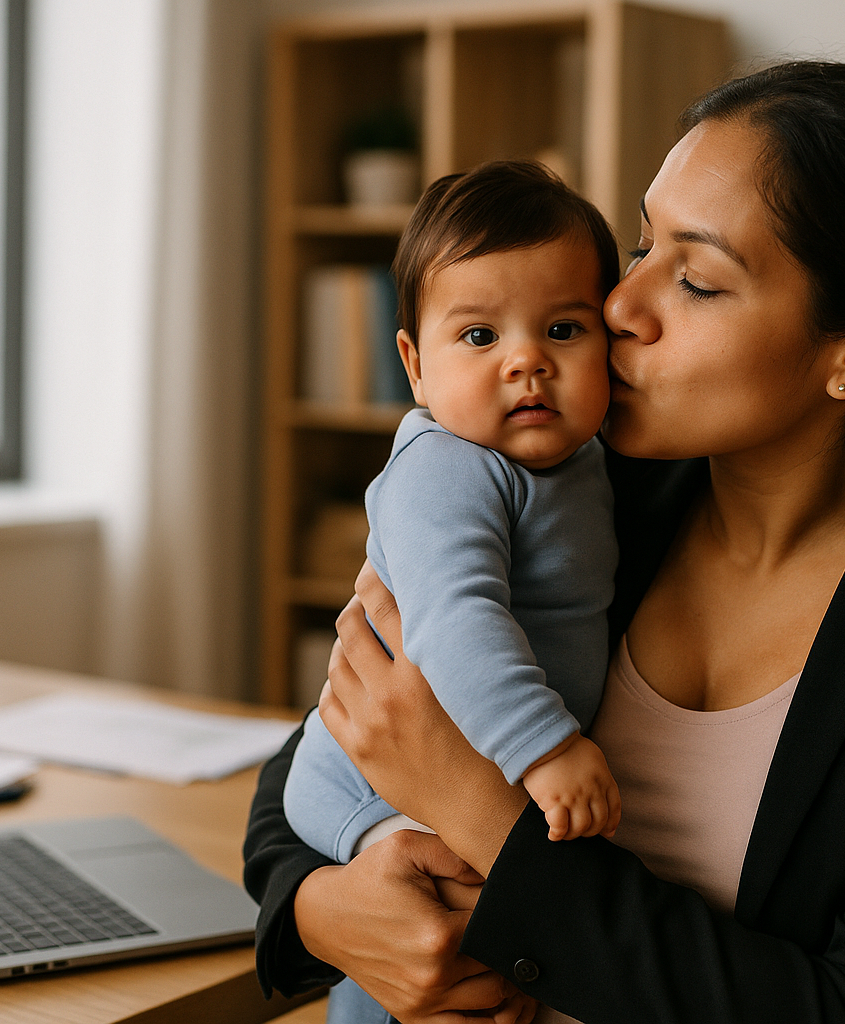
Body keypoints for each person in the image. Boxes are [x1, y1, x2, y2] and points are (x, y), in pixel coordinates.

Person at [245, 60, 845, 1024]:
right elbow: (321, 755)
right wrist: (327, 911)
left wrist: (486, 821)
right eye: (641, 244)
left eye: (697, 280)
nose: (621, 306)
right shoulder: (578, 485)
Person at [282, 161, 627, 1023]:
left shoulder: (584, 463)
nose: (526, 363)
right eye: (479, 337)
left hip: (457, 772)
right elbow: (453, 619)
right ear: (414, 365)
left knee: (464, 960)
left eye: (563, 328)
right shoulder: (448, 466)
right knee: (406, 947)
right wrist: (545, 749)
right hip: (374, 786)